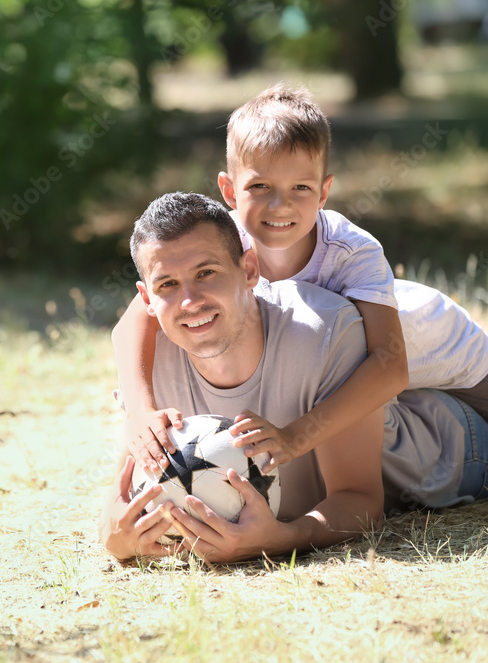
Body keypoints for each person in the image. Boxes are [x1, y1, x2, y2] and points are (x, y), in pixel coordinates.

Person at [111, 84, 488, 476]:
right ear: (229, 190)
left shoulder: (350, 252)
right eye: (260, 187)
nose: (280, 205)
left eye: (301, 188)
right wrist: (141, 412)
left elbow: (391, 366)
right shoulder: (221, 242)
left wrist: (294, 437)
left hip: (457, 362)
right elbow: (134, 321)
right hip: (401, 394)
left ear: (324, 192)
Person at [98, 193, 488, 563]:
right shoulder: (149, 370)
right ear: (146, 299)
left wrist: (282, 540)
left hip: (458, 451)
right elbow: (117, 507)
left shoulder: (326, 330)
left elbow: (360, 499)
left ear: (249, 269)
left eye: (207, 272)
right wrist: (116, 538)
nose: (190, 300)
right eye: (167, 284)